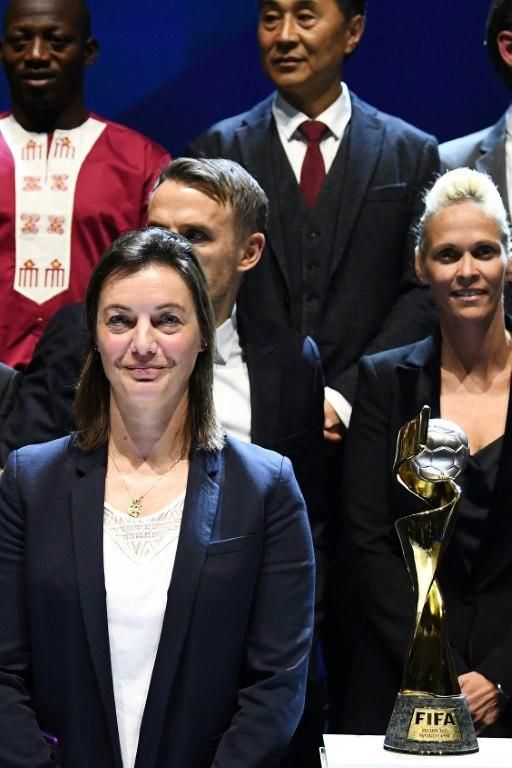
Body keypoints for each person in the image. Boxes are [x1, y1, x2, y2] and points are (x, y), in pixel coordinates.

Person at [0, 226, 315, 767]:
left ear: (202, 337)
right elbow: (3, 676)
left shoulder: (267, 487)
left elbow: (275, 688)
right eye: (120, 321)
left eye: (168, 320)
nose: (143, 344)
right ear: (96, 338)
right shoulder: (29, 482)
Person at [187, 0, 440, 440]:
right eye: (271, 18)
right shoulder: (216, 150)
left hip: (370, 422)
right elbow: (195, 286)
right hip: (241, 421)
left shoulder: (409, 152)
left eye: (305, 17)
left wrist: (345, 397)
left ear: (353, 31)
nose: (284, 35)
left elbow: (422, 290)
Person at [341, 168, 512, 737]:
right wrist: (436, 663)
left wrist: (500, 675)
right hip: (402, 677)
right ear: (421, 267)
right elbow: (368, 541)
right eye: (447, 255)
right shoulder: (384, 382)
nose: (467, 272)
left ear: (508, 262)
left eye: (484, 252)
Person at [0, 0, 170, 368]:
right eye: (19, 41)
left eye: (56, 41)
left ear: (88, 51)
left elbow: (164, 285)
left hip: (98, 383)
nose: (36, 55)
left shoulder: (141, 163)